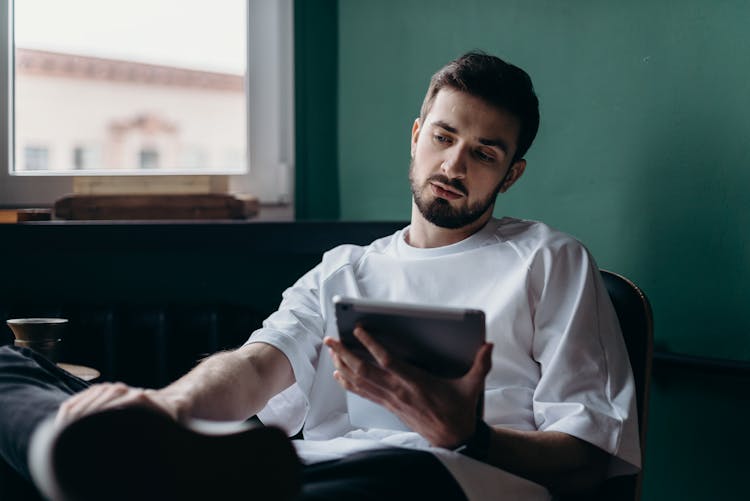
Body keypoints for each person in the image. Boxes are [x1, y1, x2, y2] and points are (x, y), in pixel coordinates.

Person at [0, 51, 640, 501]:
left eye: (484, 152)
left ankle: (136, 469)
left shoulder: (549, 260)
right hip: (311, 468)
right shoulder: (346, 269)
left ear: (512, 173)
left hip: (445, 478)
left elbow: (585, 465)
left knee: (373, 477)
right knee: (10, 366)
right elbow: (256, 366)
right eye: (443, 137)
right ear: (416, 135)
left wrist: (467, 434)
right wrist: (168, 409)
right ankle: (71, 445)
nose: (454, 163)